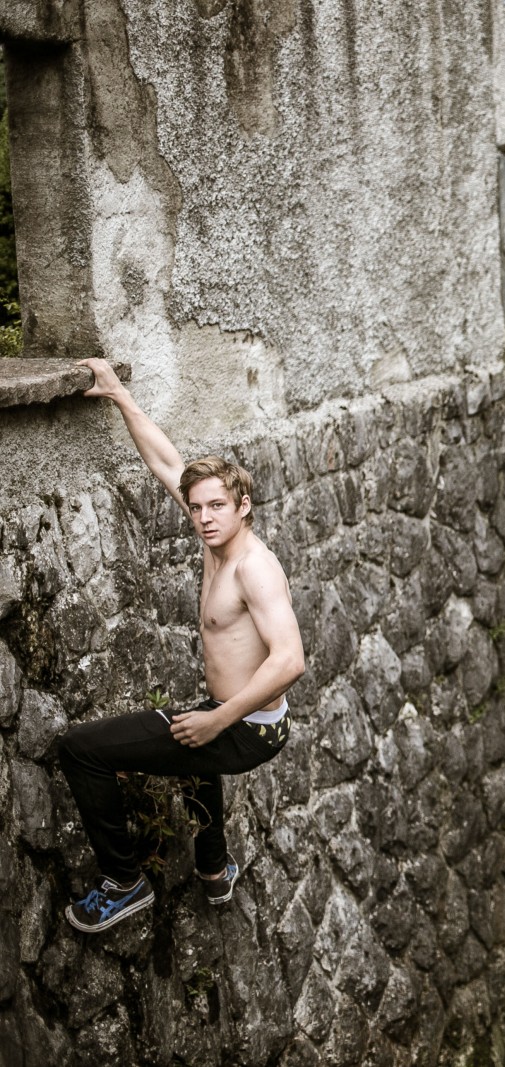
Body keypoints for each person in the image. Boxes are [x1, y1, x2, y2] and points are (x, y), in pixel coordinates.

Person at [58, 358, 305, 933]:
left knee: (81, 749)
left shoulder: (254, 568)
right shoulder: (214, 541)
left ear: (243, 506)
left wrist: (219, 722)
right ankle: (215, 870)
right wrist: (120, 395)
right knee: (191, 748)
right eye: (195, 507)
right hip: (238, 718)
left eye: (216, 506)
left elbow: (290, 660)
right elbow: (167, 462)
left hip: (248, 728)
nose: (201, 517)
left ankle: (124, 881)